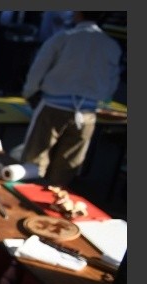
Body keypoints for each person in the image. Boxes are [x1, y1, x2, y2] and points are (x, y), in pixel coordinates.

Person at [20, 11, 122, 187]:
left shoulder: (63, 38)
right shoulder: (111, 45)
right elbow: (112, 81)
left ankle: (28, 197)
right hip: (87, 113)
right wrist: (100, 100)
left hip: (53, 107)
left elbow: (39, 67)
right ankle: (52, 202)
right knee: (67, 166)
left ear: (78, 14)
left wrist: (29, 92)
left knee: (34, 162)